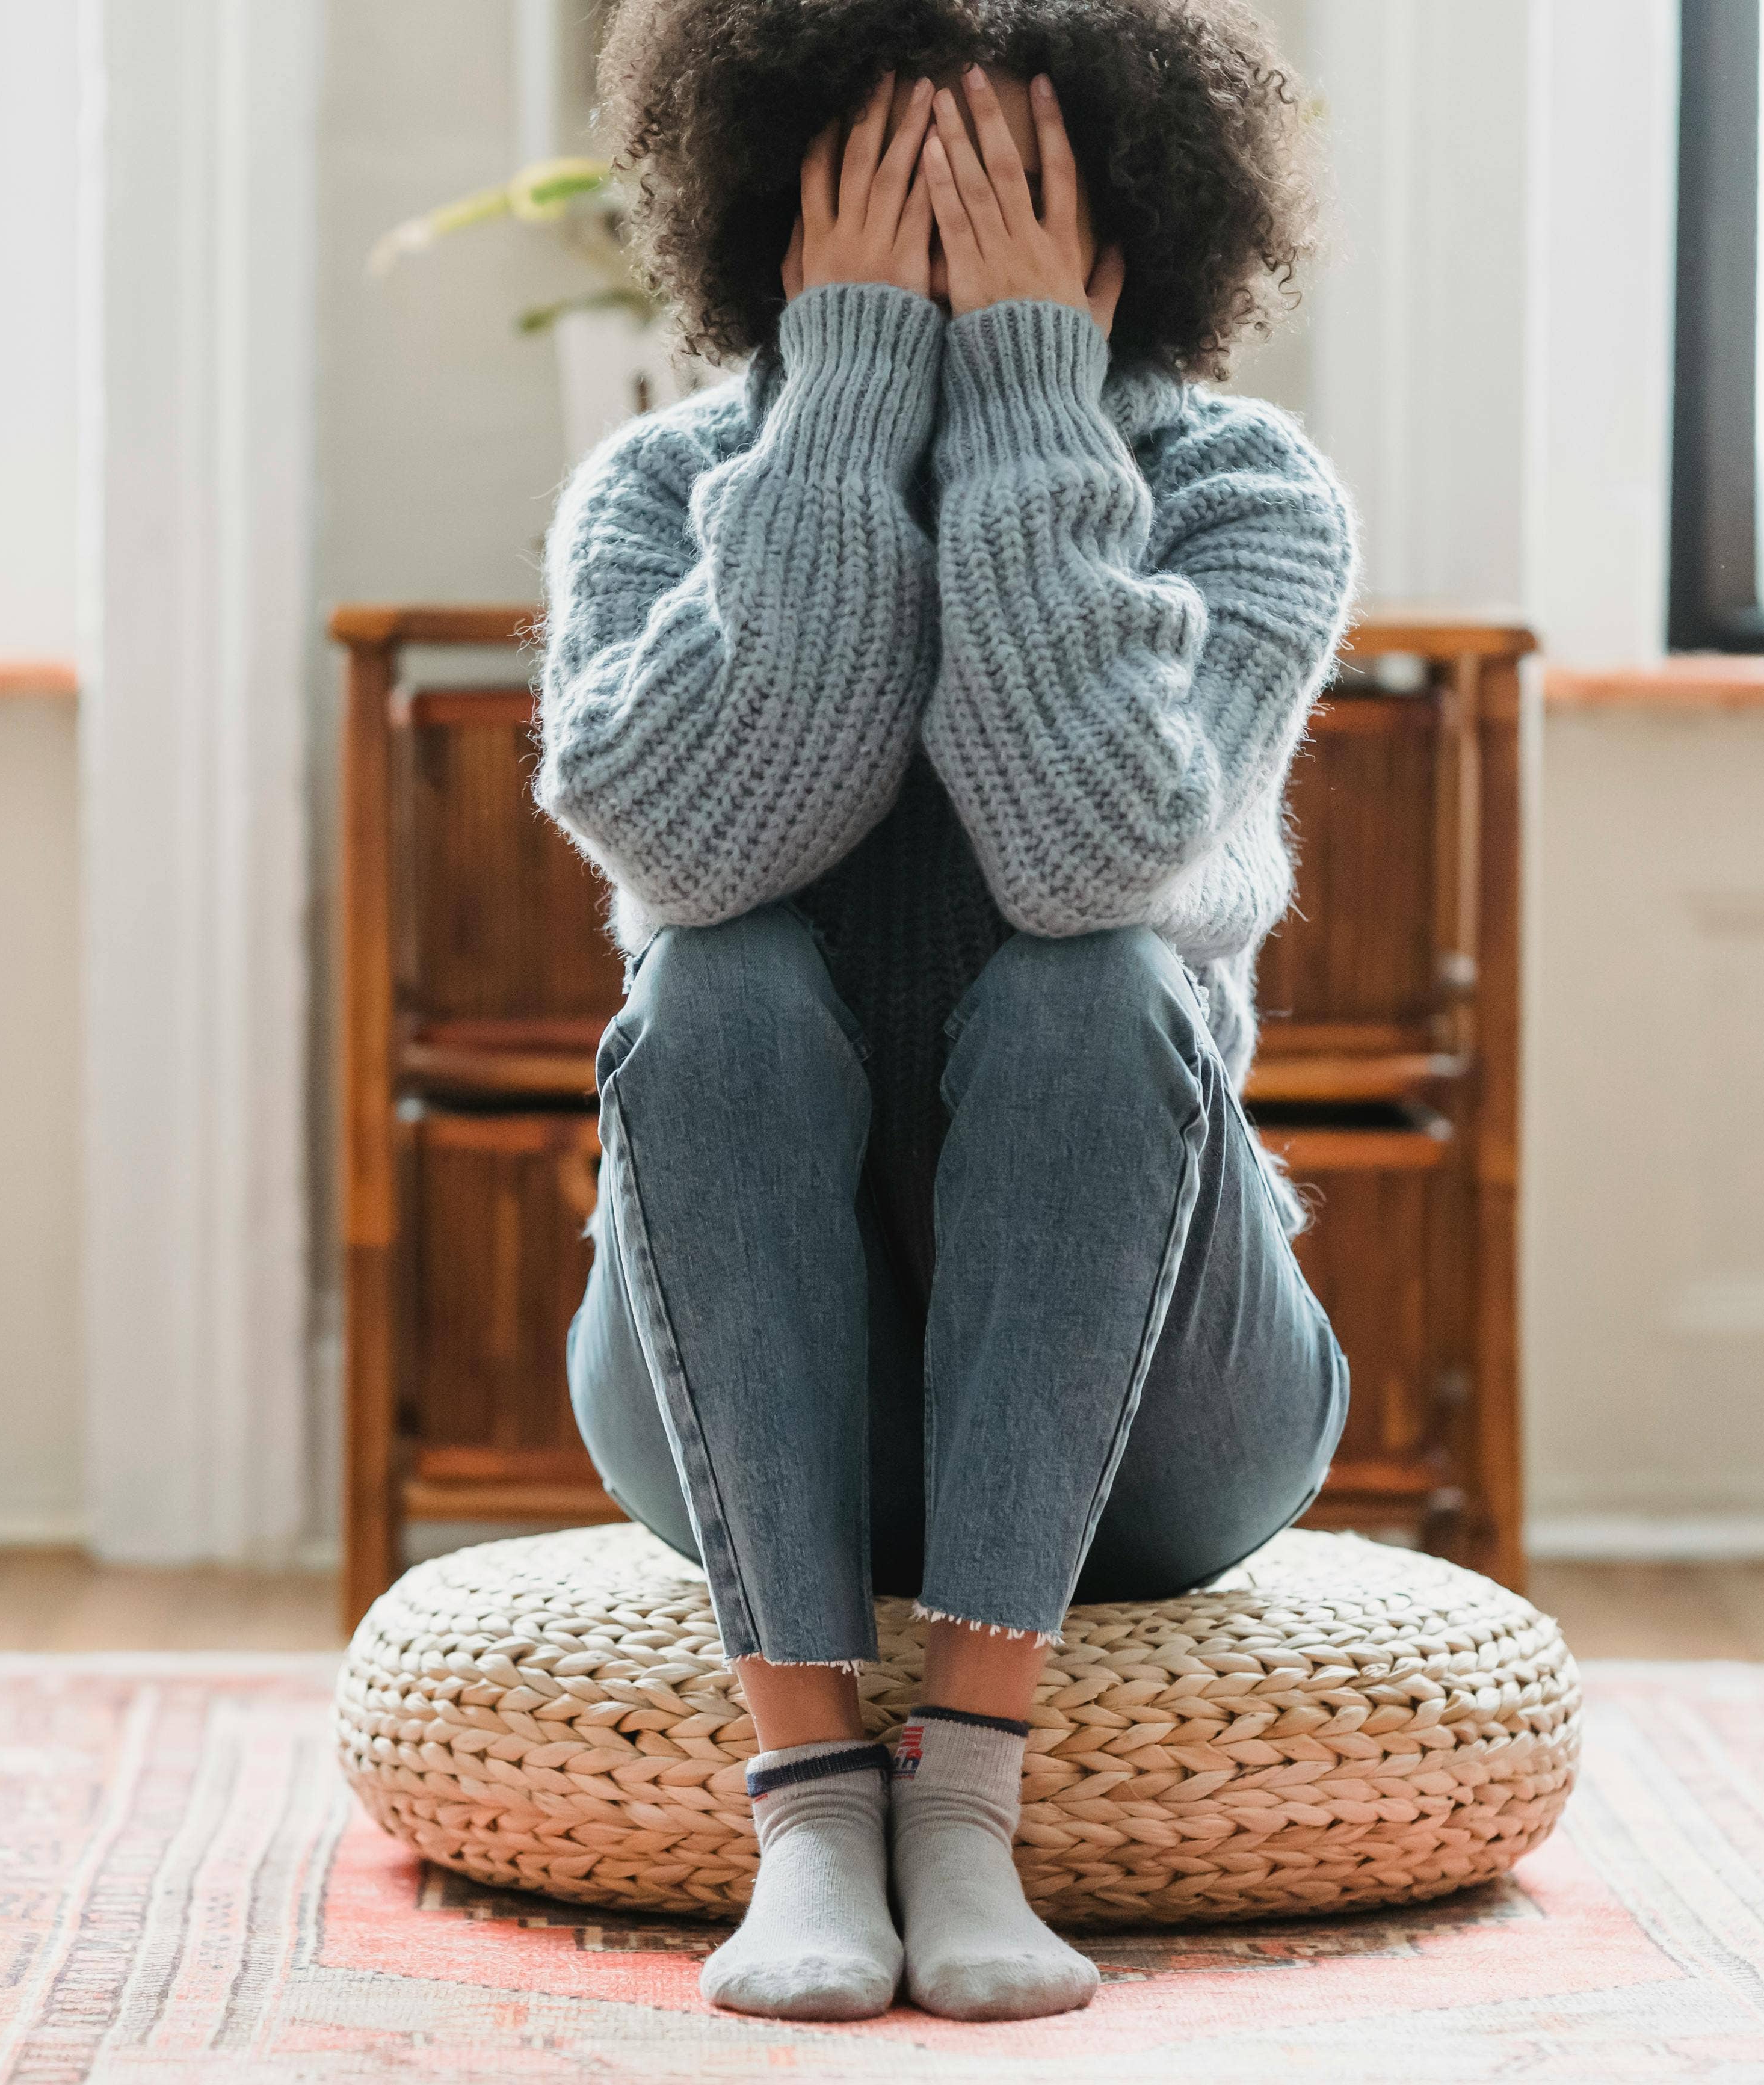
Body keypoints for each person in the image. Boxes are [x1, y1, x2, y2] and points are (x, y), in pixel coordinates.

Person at [536, 0, 1354, 2025]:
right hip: (732, 1392)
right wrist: (846, 403)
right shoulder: (659, 491)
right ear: (780, 196)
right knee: (713, 979)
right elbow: (702, 844)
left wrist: (1028, 403)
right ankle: (814, 1793)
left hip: (1162, 1411)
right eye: (893, 172)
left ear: (1125, 208)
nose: (946, 217)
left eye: (1006, 182)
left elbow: (1092, 856)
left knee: (1092, 980)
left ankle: (967, 1792)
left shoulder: (1243, 492)